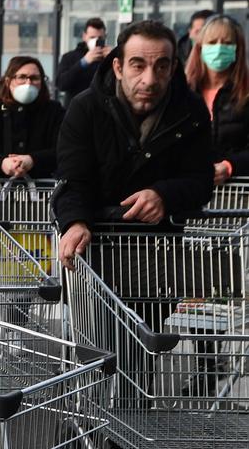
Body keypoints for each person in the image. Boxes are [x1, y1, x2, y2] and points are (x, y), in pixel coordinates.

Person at [54, 19, 213, 271]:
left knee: (151, 310)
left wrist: (164, 194)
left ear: (173, 68)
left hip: (161, 252)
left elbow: (201, 180)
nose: (150, 80)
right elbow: (73, 179)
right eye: (138, 65)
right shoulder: (86, 108)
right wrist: (74, 222)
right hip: (96, 250)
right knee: (96, 310)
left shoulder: (191, 111)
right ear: (118, 67)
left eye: (161, 67)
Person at [0, 56, 64, 179]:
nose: (28, 83)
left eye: (34, 78)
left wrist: (33, 160)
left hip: (44, 187)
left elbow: (64, 148)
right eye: (22, 77)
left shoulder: (54, 111)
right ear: (8, 81)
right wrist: (1, 162)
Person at [185, 14, 249, 184]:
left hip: (235, 194)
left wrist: (230, 166)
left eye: (227, 43)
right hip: (188, 193)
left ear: (238, 48)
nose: (219, 48)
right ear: (200, 47)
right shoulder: (183, 91)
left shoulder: (245, 93)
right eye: (212, 43)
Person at [56, 18, 112, 107]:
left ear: (105, 37)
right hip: (75, 110)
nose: (96, 41)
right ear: (84, 36)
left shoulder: (110, 58)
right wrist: (83, 63)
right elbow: (61, 84)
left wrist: (111, 60)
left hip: (101, 109)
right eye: (92, 37)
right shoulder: (70, 57)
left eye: (100, 38)